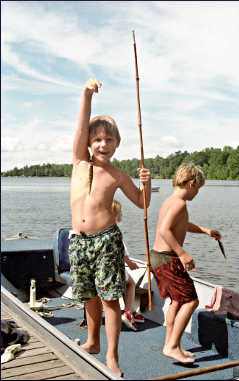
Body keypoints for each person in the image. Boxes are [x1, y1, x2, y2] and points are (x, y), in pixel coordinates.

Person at [68, 78, 151, 376]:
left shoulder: (116, 175)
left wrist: (147, 183)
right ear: (89, 143)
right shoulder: (80, 163)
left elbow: (142, 203)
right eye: (97, 139)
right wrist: (86, 94)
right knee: (88, 295)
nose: (103, 144)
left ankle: (113, 356)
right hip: (78, 242)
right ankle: (92, 341)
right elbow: (81, 126)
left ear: (117, 144)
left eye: (109, 140)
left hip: (106, 242)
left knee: (109, 298)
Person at [151, 162, 221, 364]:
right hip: (168, 259)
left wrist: (205, 231)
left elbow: (181, 225)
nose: (197, 193)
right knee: (191, 301)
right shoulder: (179, 203)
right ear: (191, 183)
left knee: (177, 301)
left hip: (160, 258)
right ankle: (171, 347)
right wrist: (182, 253)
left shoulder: (171, 201)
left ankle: (172, 345)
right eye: (198, 188)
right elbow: (165, 230)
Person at [112, 200, 145, 331]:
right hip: (114, 271)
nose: (122, 215)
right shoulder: (115, 231)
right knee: (130, 283)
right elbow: (123, 253)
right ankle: (127, 312)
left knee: (127, 281)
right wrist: (130, 264)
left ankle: (129, 309)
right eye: (120, 212)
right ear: (114, 215)